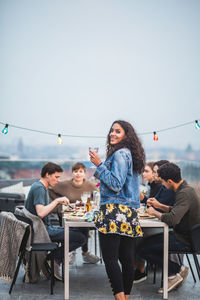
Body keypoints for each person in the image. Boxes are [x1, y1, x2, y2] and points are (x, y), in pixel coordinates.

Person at [89, 120, 145, 300]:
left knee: (111, 258)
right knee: (127, 259)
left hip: (114, 211)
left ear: (126, 135)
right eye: (112, 131)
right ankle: (125, 297)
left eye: (118, 131)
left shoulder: (120, 154)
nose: (112, 134)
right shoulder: (131, 155)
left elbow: (115, 184)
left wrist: (99, 164)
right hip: (129, 212)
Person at [138, 162, 200, 294]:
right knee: (145, 245)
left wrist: (155, 212)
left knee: (143, 249)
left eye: (164, 183)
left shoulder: (184, 193)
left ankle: (174, 272)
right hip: (183, 235)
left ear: (170, 181)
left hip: (186, 239)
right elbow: (176, 211)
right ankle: (175, 271)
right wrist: (160, 206)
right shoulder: (185, 190)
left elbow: (172, 219)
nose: (163, 186)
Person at [25, 162, 87, 280]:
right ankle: (53, 259)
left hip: (43, 227)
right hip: (41, 231)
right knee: (81, 238)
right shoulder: (39, 188)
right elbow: (41, 213)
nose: (58, 180)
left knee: (78, 231)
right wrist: (57, 201)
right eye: (56, 177)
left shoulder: (40, 187)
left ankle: (53, 259)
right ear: (48, 175)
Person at [49, 162, 100, 264]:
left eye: (80, 171)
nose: (78, 174)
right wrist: (59, 204)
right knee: (80, 227)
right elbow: (50, 189)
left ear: (85, 173)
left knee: (83, 225)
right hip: (69, 215)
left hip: (84, 215)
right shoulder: (65, 185)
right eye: (75, 171)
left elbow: (96, 197)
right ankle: (81, 253)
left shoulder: (90, 185)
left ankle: (79, 252)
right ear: (72, 173)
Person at [134, 160, 175, 283]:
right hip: (158, 223)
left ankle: (140, 270)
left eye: (157, 172)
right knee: (134, 235)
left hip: (165, 227)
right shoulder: (161, 187)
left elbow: (157, 207)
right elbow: (153, 203)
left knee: (134, 236)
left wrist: (144, 200)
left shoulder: (167, 188)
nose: (156, 175)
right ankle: (139, 269)